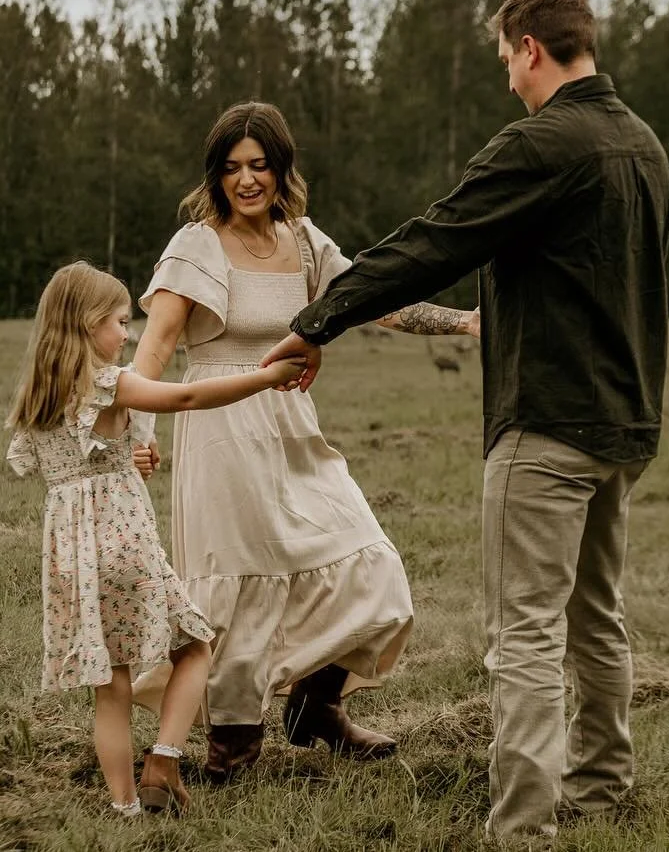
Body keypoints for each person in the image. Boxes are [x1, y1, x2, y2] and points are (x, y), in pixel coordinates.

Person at [261, 0, 669, 842]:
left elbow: (434, 241)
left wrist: (317, 318)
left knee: (523, 630)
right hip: (624, 425)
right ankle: (602, 790)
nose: (506, 82)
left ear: (530, 48)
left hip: (548, 424)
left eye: (504, 62)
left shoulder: (541, 144)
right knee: (597, 615)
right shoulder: (645, 146)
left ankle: (522, 826)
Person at [130, 101, 479, 781]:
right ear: (216, 175)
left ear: (281, 167)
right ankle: (231, 747)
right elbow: (156, 346)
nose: (247, 180)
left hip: (291, 428)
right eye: (232, 168)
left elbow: (374, 301)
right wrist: (136, 434)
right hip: (220, 429)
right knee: (240, 586)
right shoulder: (196, 245)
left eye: (259, 165)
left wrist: (463, 322)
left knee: (371, 561)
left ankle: (313, 705)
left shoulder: (304, 241)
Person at [5, 261, 305, 816]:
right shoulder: (108, 383)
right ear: (87, 323)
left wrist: (131, 457)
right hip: (124, 543)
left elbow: (82, 460)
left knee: (111, 686)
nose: (128, 333)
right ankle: (164, 757)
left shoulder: (38, 393)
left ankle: (124, 808)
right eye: (119, 321)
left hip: (74, 557)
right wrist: (265, 378)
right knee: (195, 647)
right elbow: (186, 399)